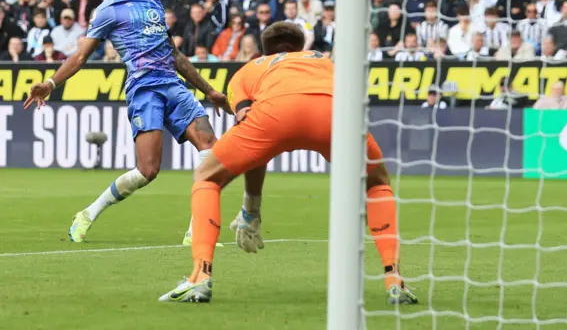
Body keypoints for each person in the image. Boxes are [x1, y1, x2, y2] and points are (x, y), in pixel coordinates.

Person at [158, 22, 418, 306]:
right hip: (334, 114)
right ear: (301, 48)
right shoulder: (325, 61)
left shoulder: (251, 68)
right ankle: (394, 279)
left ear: (264, 50)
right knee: (378, 183)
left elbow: (250, 135)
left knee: (207, 176)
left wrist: (250, 210)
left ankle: (200, 275)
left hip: (275, 113)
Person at [24, 0, 231, 246]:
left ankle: (196, 230)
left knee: (211, 151)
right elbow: (80, 56)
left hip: (174, 86)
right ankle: (89, 213)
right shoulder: (108, 10)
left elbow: (174, 55)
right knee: (148, 171)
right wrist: (52, 83)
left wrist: (210, 90)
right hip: (144, 89)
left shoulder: (154, 4)